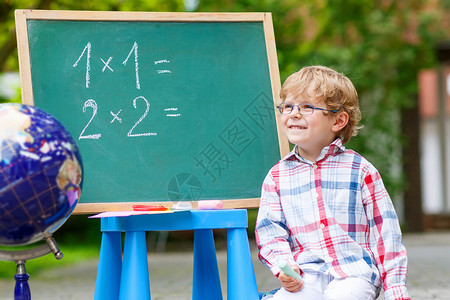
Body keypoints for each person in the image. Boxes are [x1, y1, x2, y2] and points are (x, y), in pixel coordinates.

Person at [255, 66, 410, 300]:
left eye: (307, 107)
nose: (294, 113)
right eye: (288, 106)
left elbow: (385, 233)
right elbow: (270, 231)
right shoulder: (277, 177)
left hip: (354, 275)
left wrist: (395, 288)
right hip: (305, 276)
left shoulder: (360, 171)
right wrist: (283, 265)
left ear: (338, 120)